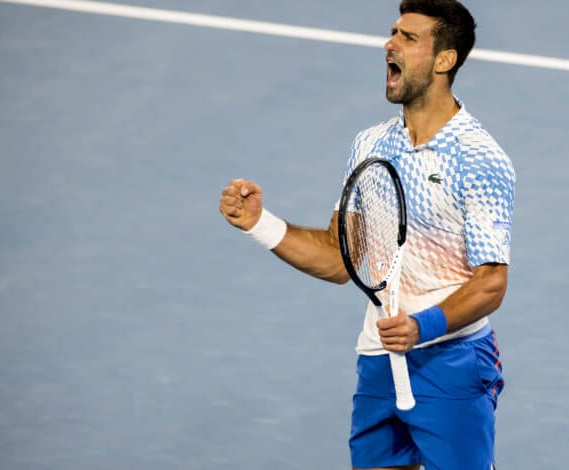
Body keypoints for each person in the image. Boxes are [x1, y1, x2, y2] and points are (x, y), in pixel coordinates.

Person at [219, 1, 515, 468]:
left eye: (408, 37)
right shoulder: (370, 144)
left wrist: (423, 327)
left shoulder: (477, 157)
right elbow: (341, 260)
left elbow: (491, 282)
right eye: (392, 32)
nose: (389, 44)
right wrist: (261, 223)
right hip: (379, 357)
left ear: (445, 60)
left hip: (451, 363)